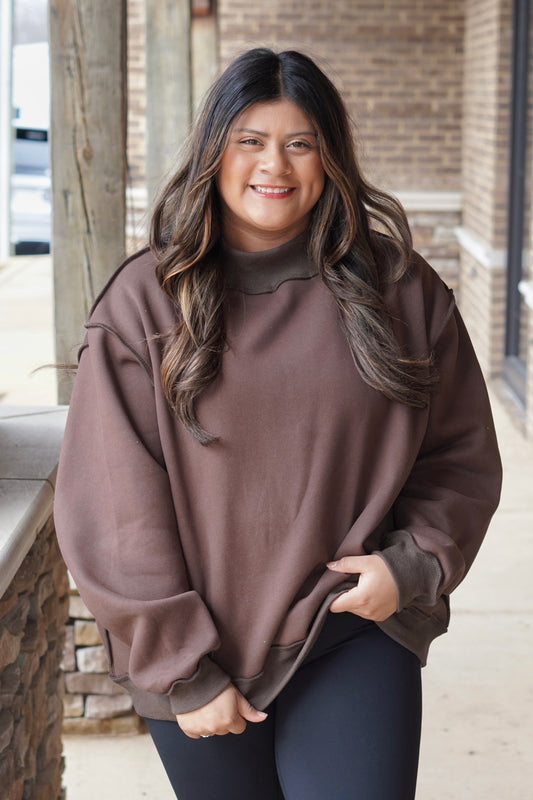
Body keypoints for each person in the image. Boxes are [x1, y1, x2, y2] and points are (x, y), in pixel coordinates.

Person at [54, 48, 502, 800]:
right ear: (213, 153)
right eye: (250, 141)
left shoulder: (398, 291)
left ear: (329, 158)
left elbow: (458, 454)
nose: (276, 166)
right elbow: (111, 505)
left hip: (350, 633)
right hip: (201, 655)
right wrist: (183, 668)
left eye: (300, 143)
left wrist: (413, 563)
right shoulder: (144, 304)